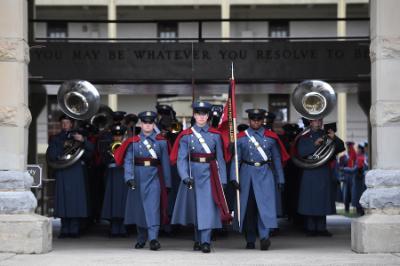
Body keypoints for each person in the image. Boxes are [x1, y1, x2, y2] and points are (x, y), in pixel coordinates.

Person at [170, 101, 230, 253]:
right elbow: (181, 159)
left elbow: (221, 159)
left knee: (207, 208)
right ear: (194, 115)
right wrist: (184, 176)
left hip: (211, 174)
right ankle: (197, 239)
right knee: (195, 209)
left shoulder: (215, 135)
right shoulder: (186, 135)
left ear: (208, 116)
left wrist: (223, 179)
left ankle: (205, 241)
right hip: (192, 174)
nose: (201, 117)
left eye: (204, 114)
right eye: (198, 114)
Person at [230, 109, 288, 250]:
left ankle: (264, 237)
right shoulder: (241, 137)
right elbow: (235, 160)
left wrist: (281, 178)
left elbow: (276, 159)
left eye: (259, 120)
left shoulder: (271, 137)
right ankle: (250, 239)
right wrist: (233, 176)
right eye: (253, 120)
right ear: (249, 120)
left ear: (263, 120)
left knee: (265, 208)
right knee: (249, 209)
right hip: (246, 175)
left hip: (265, 174)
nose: (256, 122)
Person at [114, 111, 171, 251]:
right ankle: (141, 238)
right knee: (139, 210)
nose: (147, 125)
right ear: (141, 124)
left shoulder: (161, 142)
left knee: (153, 209)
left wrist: (168, 184)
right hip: (137, 178)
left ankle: (153, 239)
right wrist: (129, 178)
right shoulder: (133, 142)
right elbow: (128, 162)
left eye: (150, 122)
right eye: (145, 122)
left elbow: (165, 164)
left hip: (154, 178)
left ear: (153, 124)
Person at [46, 114, 94, 238]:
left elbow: (90, 153)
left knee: (75, 202)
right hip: (63, 171)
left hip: (76, 171)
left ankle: (74, 229)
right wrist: (63, 147)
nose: (64, 125)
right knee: (64, 202)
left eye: (67, 123)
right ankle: (65, 229)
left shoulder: (79, 136)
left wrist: (83, 140)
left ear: (71, 124)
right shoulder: (56, 139)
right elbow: (51, 155)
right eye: (62, 123)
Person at [297, 118, 344, 237]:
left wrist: (335, 138)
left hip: (323, 171)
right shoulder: (304, 136)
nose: (319, 123)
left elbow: (340, 147)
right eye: (315, 121)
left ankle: (322, 228)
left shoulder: (326, 134)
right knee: (310, 200)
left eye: (320, 120)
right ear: (310, 122)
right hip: (310, 171)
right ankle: (311, 228)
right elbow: (301, 152)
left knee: (323, 200)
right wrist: (314, 144)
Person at [101, 124, 129, 237]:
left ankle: (123, 228)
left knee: (123, 201)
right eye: (115, 136)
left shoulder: (127, 146)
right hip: (112, 175)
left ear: (122, 136)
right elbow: (103, 161)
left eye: (120, 136)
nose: (117, 138)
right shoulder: (107, 146)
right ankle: (113, 227)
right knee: (112, 200)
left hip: (123, 175)